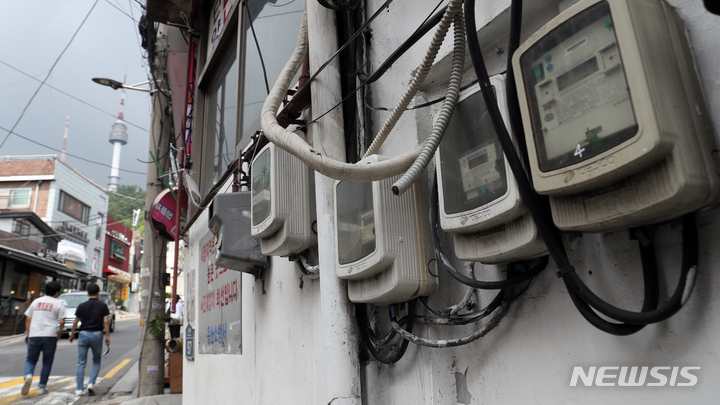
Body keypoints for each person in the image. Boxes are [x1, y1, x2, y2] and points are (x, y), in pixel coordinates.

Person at [21, 281, 66, 396]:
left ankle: (28, 375)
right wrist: (59, 331)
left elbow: (27, 318)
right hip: (50, 335)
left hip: (34, 334)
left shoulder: (36, 302)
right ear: (57, 292)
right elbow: (61, 321)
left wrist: (27, 333)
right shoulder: (58, 304)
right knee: (47, 361)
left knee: (31, 359)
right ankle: (42, 387)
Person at [69, 283, 110, 396]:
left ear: (87, 293)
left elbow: (75, 322)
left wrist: (71, 334)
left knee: (81, 362)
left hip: (83, 334)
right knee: (96, 360)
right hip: (97, 334)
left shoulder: (82, 306)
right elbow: (106, 321)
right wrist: (107, 336)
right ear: (98, 293)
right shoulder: (102, 306)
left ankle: (79, 389)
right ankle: (91, 383)